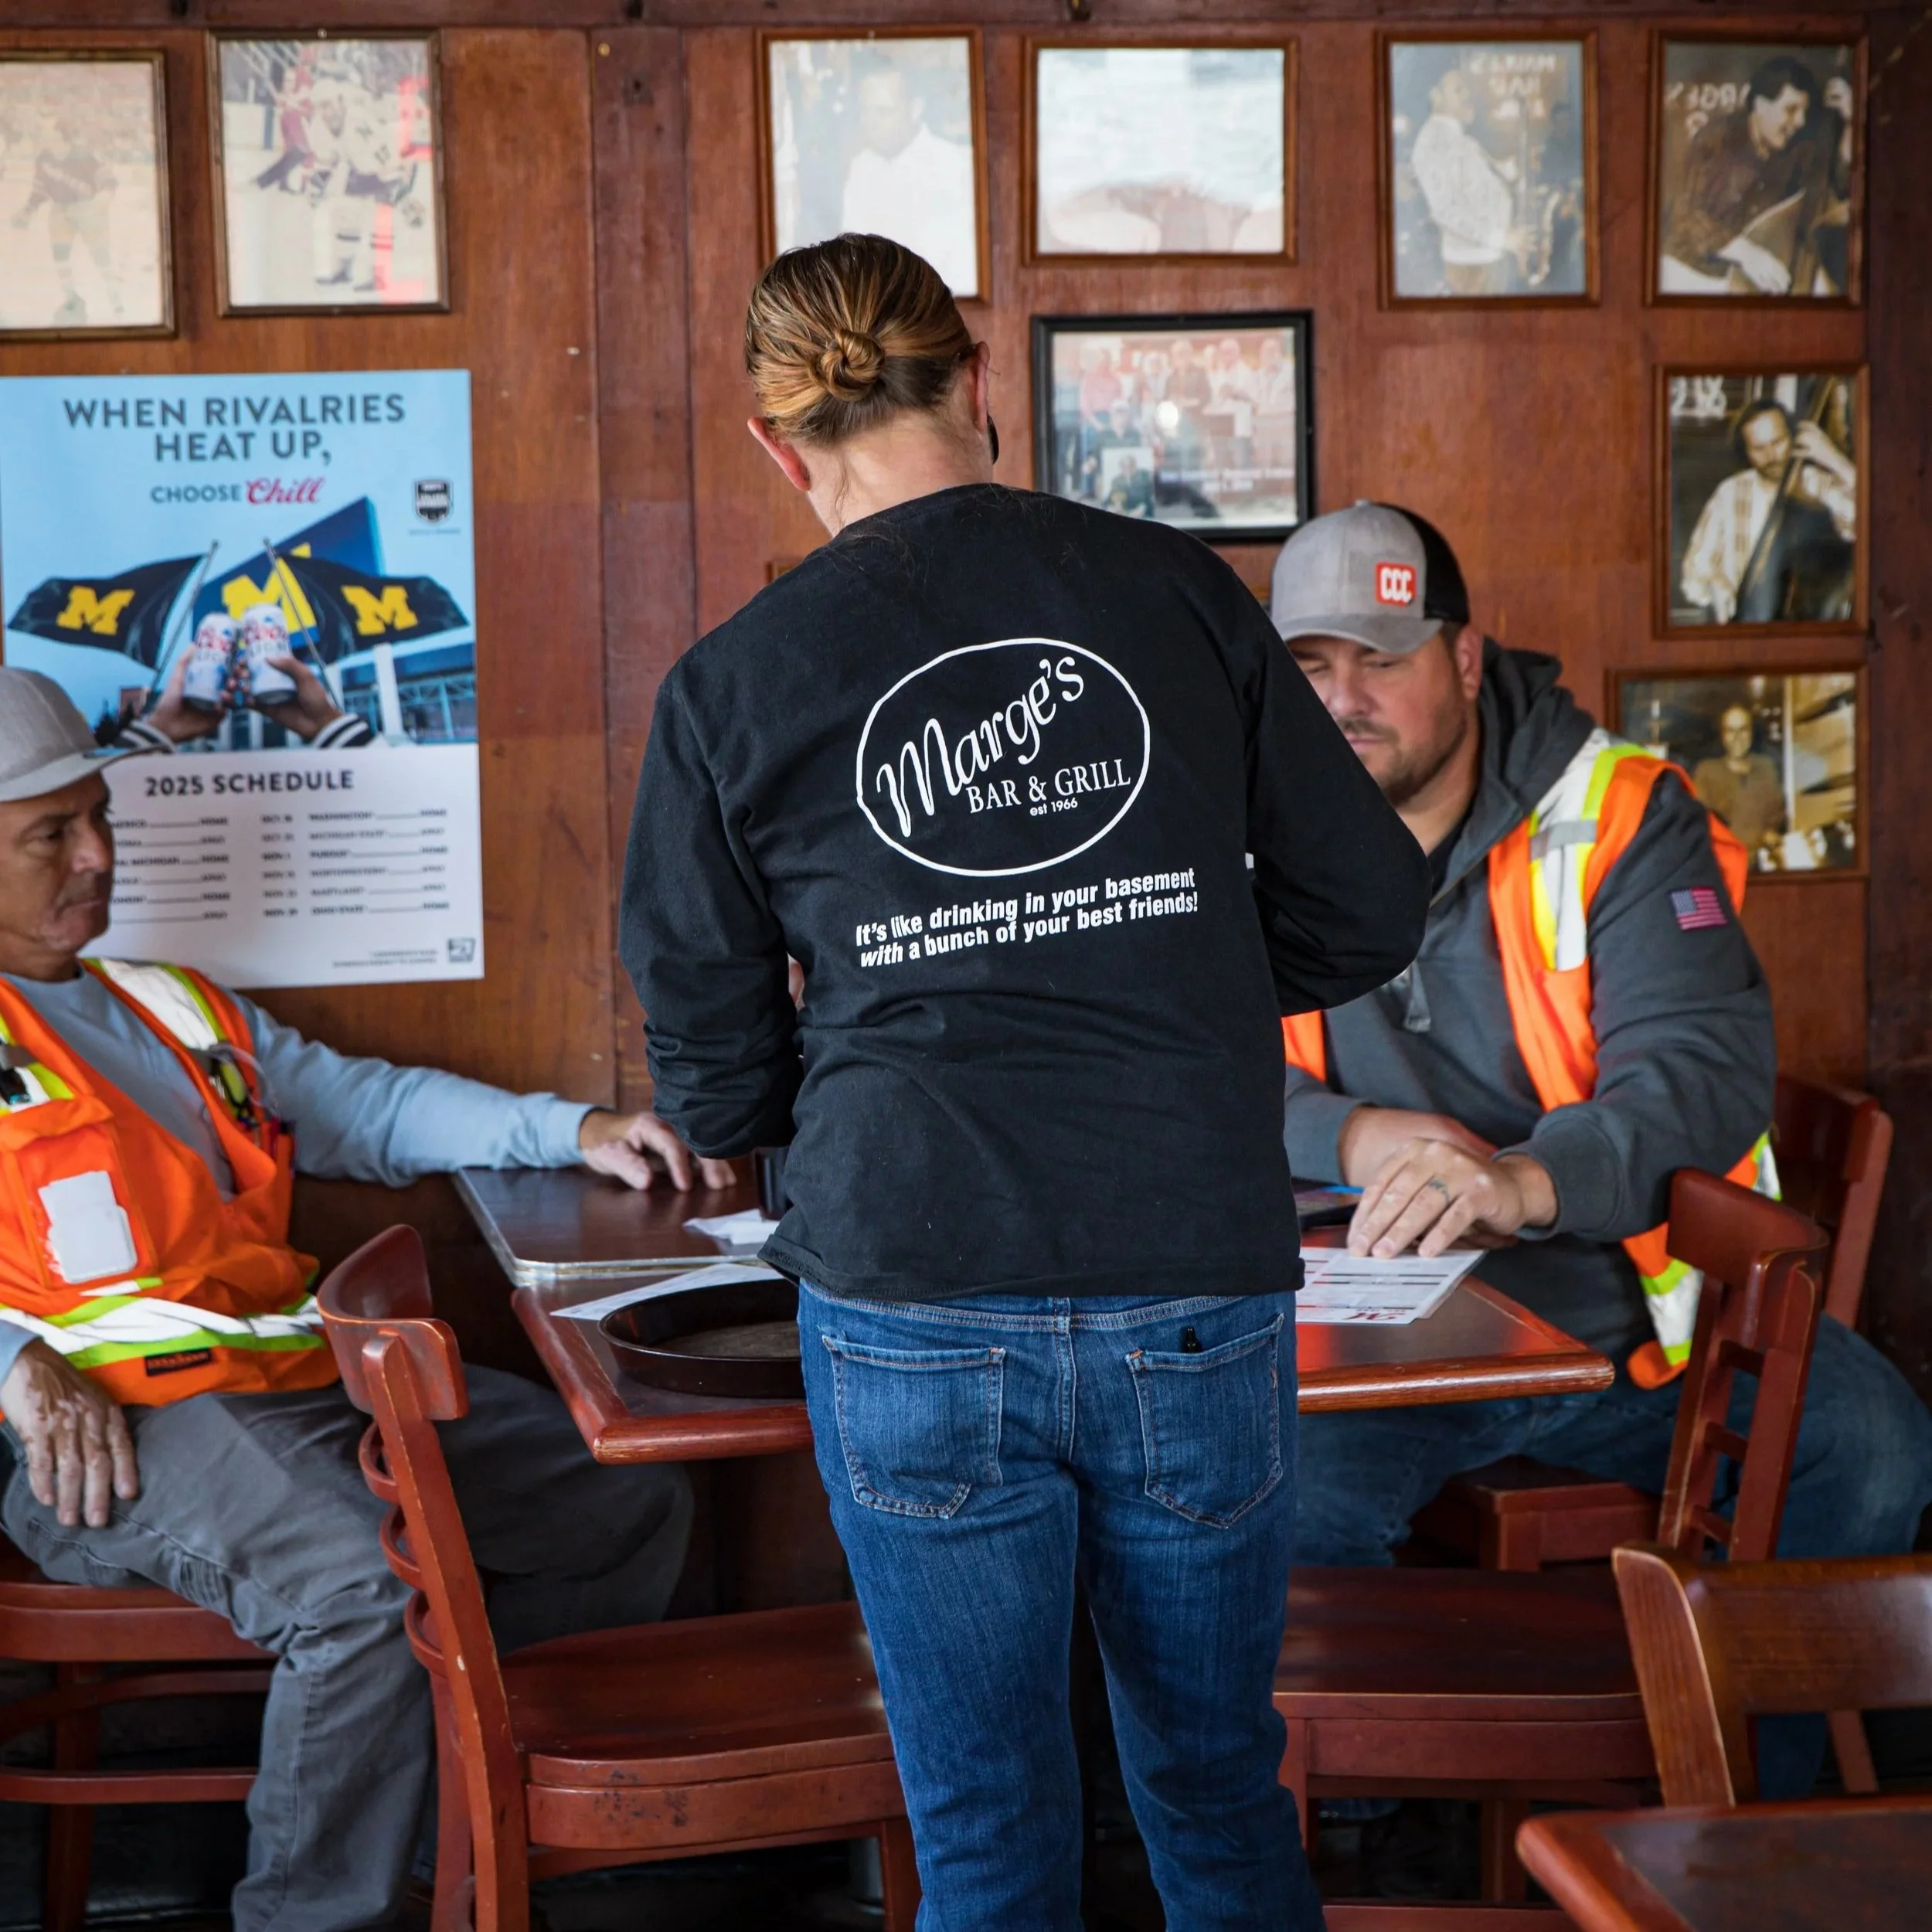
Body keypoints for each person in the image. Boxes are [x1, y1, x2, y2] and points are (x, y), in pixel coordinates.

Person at [621, 233, 1428, 1928]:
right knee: (1214, 1785)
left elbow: (707, 1070)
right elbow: (1364, 899)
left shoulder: (729, 685)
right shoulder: (1174, 590)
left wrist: (863, 1041)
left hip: (915, 1284)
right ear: (978, 382)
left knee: (983, 1829)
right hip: (1188, 1273)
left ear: (775, 442)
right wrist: (1166, 979)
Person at [0, 665, 730, 1932]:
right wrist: (13, 1363)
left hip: (294, 1389)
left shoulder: (170, 1006)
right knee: (362, 1584)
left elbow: (365, 1106)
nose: (100, 855)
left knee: (618, 1497)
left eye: (97, 814)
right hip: (118, 1441)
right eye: (50, 834)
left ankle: (460, 1837)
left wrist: (580, 1126)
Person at [1271, 502, 1932, 1794]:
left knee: (1875, 1440)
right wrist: (1350, 1131)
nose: (1343, 698)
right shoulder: (1253, 829)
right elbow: (1187, 1073)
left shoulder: (1621, 810)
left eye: (1380, 658)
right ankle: (1367, 1827)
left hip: (1615, 1319)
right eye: (1310, 666)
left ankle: (1746, 1811)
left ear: (1464, 660)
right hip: (1363, 1334)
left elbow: (1697, 1075)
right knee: (1250, 1499)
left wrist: (1523, 1180)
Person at [1659, 56, 1852, 297]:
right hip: (1695, 276)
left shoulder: (1800, 148)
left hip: (1756, 283)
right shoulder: (1715, 141)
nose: (1800, 122)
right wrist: (1745, 252)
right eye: (1791, 110)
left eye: (1804, 111)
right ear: (1760, 105)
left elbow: (1839, 188)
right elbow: (1683, 219)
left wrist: (1851, 121)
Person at [1679, 396, 1857, 624]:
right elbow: (1695, 569)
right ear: (1745, 451)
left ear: (1793, 437)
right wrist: (1717, 588)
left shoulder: (1815, 484)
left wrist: (1833, 458)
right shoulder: (1730, 492)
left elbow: (1868, 519)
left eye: (1778, 442)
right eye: (1759, 448)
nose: (1773, 456)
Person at [838, 66, 976, 295]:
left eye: (883, 112)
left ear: (915, 109)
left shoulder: (951, 164)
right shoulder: (861, 167)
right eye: (866, 111)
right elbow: (851, 253)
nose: (870, 122)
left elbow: (961, 261)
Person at [1407, 66, 1521, 296]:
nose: (1468, 95)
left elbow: (1486, 176)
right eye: (1459, 90)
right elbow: (1445, 210)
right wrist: (1501, 238)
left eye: (1466, 88)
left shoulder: (1460, 138)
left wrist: (1513, 167)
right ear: (1436, 96)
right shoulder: (1433, 141)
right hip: (1473, 269)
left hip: (1490, 259)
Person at [11, 112, 121, 328]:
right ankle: (71, 296)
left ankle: (114, 296)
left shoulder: (83, 154)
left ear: (60, 135)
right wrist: (28, 210)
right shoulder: (43, 159)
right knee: (60, 254)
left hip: (88, 208)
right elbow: (40, 189)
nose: (41, 134)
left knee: (100, 255)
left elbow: (108, 178)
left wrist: (105, 196)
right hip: (60, 210)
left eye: (46, 130)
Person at [1691, 702, 1785, 863]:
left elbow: (1777, 818)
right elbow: (1702, 825)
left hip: (1763, 864)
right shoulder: (1707, 772)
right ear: (1722, 735)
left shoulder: (1766, 768)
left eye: (1743, 730)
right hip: (1725, 865)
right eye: (1730, 731)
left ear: (1751, 733)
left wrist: (1770, 834)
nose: (1737, 737)